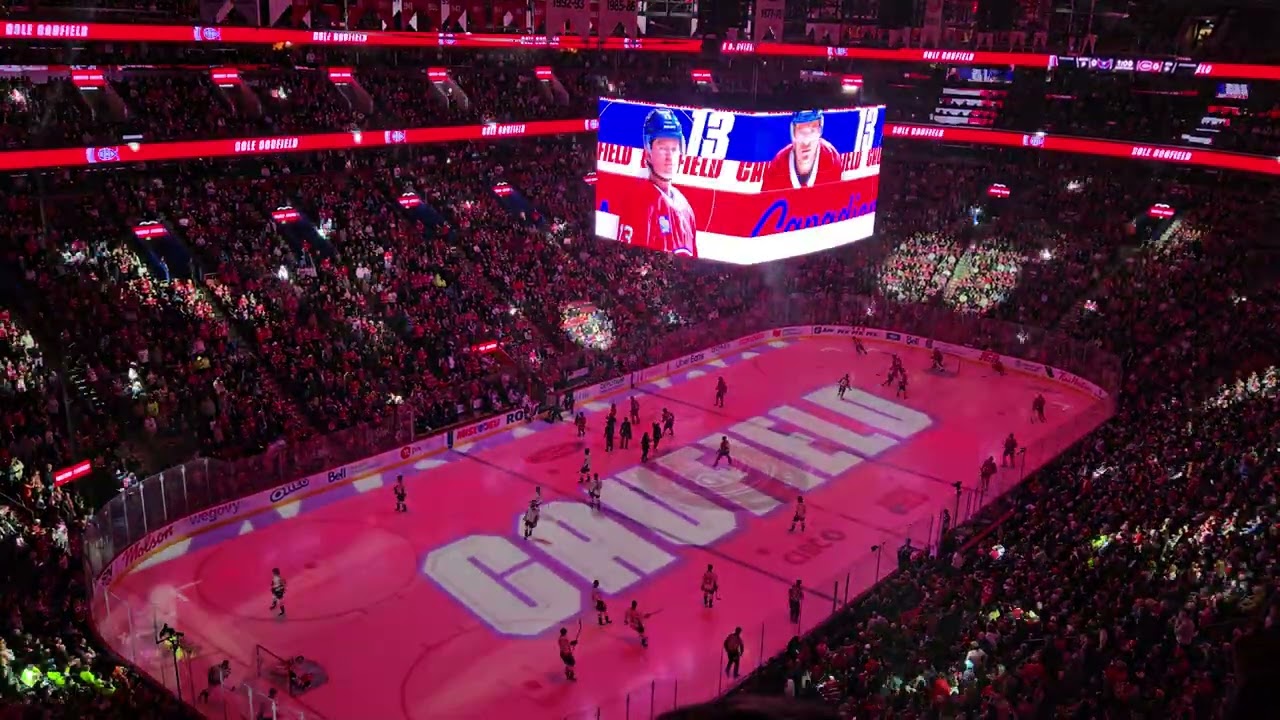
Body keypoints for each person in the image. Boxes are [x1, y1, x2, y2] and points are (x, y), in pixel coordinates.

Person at [620, 107, 698, 257]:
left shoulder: (686, 209)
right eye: (662, 148)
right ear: (648, 153)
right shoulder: (639, 201)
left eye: (674, 149)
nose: (670, 157)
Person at [760, 110, 843, 191]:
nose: (806, 142)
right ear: (793, 133)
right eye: (801, 131)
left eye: (812, 131)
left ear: (820, 131)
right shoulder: (778, 165)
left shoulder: (832, 158)